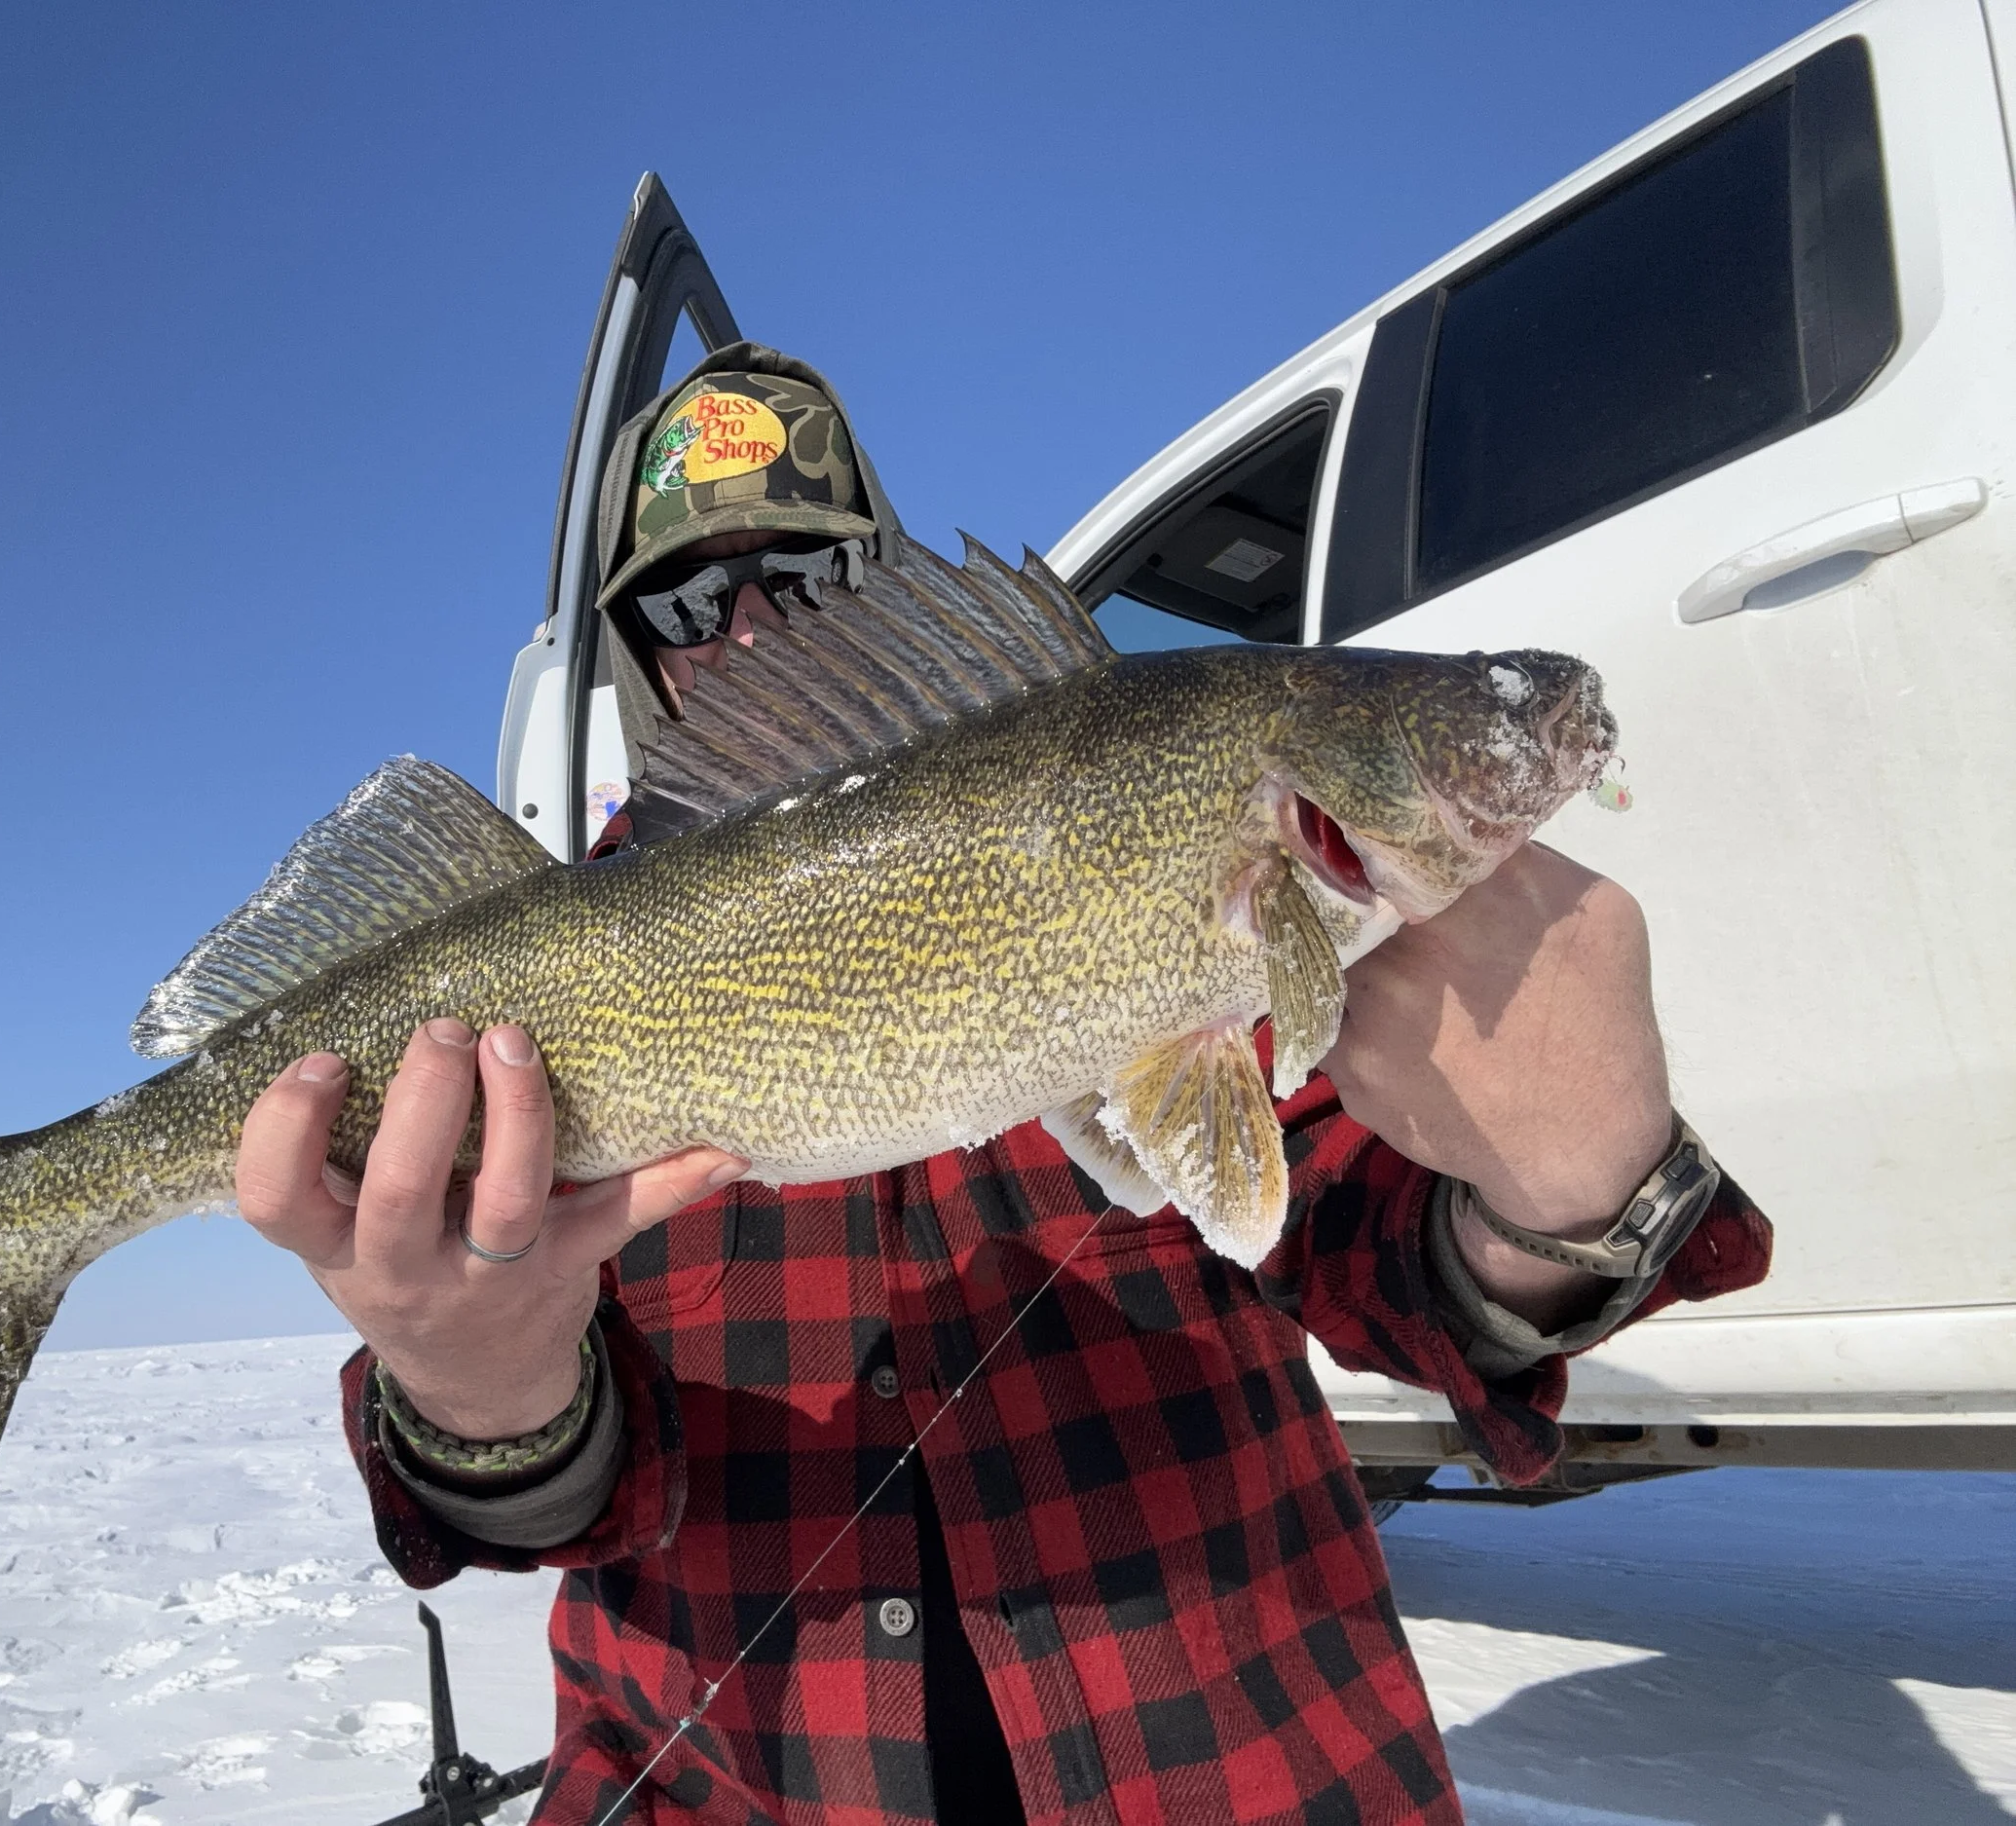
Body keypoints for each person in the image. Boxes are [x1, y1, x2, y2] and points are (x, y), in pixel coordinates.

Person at [234, 346, 1773, 1824]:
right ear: (639, 659)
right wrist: (479, 1394)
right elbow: (529, 1510)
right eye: (694, 598)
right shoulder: (547, 984)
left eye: (815, 576)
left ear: (896, 599)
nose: (754, 627)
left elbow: (1392, 1252)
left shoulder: (1197, 865)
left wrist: (1572, 1193)